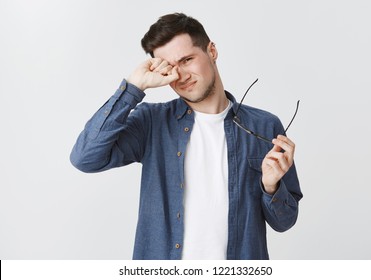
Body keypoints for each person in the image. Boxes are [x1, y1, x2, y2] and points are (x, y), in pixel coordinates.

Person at [70, 13, 303, 260]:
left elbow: (284, 222)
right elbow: (85, 158)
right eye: (170, 67)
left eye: (187, 60)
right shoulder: (152, 122)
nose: (180, 76)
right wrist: (133, 87)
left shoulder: (265, 126)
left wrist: (271, 186)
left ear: (212, 51)